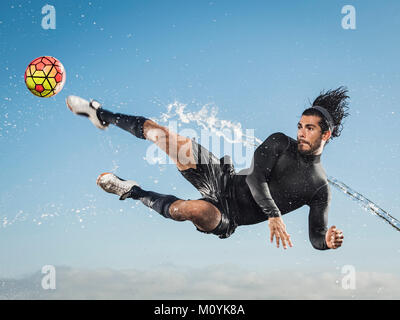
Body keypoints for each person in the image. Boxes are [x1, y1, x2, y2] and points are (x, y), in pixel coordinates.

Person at [66, 87, 349, 250]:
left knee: (192, 211)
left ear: (326, 135)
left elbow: (315, 237)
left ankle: (134, 191)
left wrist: (326, 240)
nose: (301, 133)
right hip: (222, 179)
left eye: (309, 129)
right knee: (161, 135)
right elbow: (256, 180)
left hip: (230, 216)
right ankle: (99, 114)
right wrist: (274, 214)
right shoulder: (279, 142)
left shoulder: (319, 188)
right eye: (300, 126)